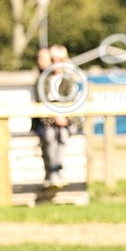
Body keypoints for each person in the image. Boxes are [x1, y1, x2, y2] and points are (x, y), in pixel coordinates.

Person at [32, 45, 76, 188]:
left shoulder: (68, 80)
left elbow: (73, 102)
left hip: (65, 123)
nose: (56, 62)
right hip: (47, 122)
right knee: (50, 135)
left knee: (62, 134)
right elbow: (41, 102)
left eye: (60, 59)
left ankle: (56, 171)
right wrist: (54, 117)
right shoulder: (43, 79)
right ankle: (53, 173)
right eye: (53, 59)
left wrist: (65, 117)